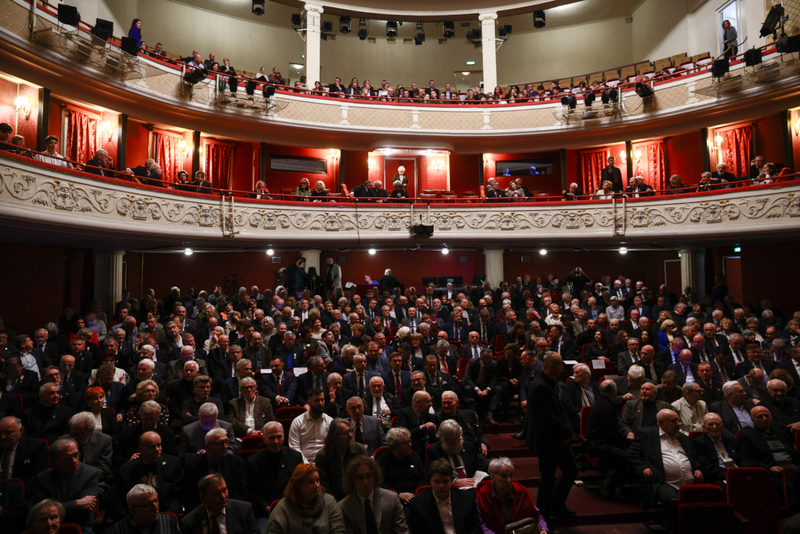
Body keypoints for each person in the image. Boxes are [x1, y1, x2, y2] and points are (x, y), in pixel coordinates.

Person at [528, 352, 578, 522]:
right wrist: (568, 433)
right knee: (547, 481)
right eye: (560, 365)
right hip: (547, 441)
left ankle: (556, 505)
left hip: (558, 438)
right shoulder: (540, 386)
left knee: (571, 469)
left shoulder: (551, 382)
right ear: (551, 366)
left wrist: (567, 432)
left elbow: (560, 411)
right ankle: (544, 520)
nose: (563, 368)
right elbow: (547, 419)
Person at [627, 409, 703, 510]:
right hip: (663, 482)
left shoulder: (684, 438)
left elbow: (695, 457)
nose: (678, 424)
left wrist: (698, 469)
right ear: (661, 422)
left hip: (690, 482)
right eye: (673, 421)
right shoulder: (647, 435)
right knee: (672, 500)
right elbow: (632, 454)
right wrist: (643, 468)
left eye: (678, 420)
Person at [35, 438, 102, 533]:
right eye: (68, 458)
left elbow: (87, 507)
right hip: (50, 527)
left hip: (81, 526)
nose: (74, 461)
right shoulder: (43, 478)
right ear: (54, 461)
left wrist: (59, 507)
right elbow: (42, 510)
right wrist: (76, 504)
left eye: (76, 455)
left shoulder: (91, 474)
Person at [408, 459, 482, 534]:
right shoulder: (418, 504)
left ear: (452, 481)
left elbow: (476, 529)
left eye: (445, 481)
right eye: (437, 482)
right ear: (430, 481)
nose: (441, 486)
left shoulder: (467, 498)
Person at [476, 457, 548, 534]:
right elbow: (482, 524)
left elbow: (536, 515)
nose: (509, 480)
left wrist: (543, 529)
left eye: (511, 476)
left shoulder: (520, 491)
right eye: (504, 476)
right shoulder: (483, 495)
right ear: (492, 477)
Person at [267, 464, 346, 534]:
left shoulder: (330, 502)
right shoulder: (283, 507)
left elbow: (339, 530)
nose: (316, 485)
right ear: (298, 485)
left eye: (317, 481)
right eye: (311, 482)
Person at [339, 455, 408, 534]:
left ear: (375, 476)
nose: (366, 482)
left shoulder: (392, 499)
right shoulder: (344, 507)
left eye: (369, 476)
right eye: (360, 477)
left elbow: (402, 531)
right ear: (352, 480)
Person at [182, 474, 258, 534]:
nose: (223, 496)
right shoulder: (190, 522)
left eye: (225, 490)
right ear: (203, 498)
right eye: (217, 493)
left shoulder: (244, 510)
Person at [314, 417, 368, 500]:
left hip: (358, 497)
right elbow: (324, 485)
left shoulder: (359, 450)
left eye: (350, 431)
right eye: (345, 433)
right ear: (334, 436)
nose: (350, 436)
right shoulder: (322, 456)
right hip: (333, 500)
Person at [106, 484, 181, 534]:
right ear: (133, 510)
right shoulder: (115, 531)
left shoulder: (169, 521)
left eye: (156, 501)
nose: (155, 507)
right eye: (148, 505)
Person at [691, 413, 739, 489]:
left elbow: (741, 458)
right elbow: (707, 467)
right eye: (710, 424)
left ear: (722, 425)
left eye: (717, 424)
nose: (714, 427)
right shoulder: (699, 442)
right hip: (717, 476)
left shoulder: (730, 439)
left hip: (737, 472)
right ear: (704, 427)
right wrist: (730, 474)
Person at [289, 387, 333, 463]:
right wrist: (306, 464)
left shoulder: (330, 421)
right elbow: (294, 447)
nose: (320, 403)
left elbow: (332, 447)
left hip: (325, 464)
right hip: (303, 464)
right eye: (317, 400)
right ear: (309, 402)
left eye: (322, 400)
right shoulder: (297, 422)